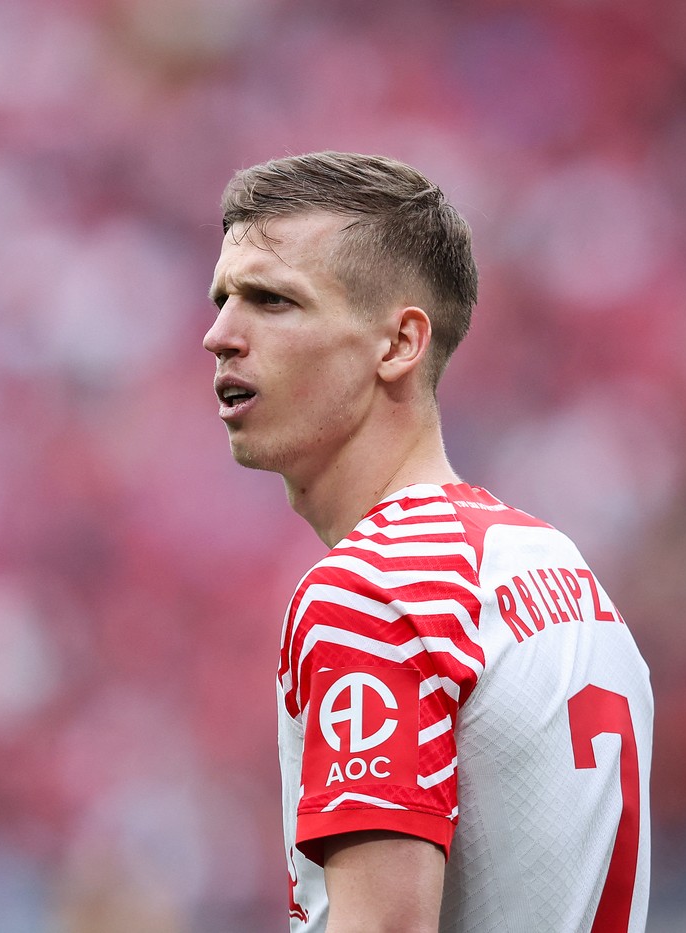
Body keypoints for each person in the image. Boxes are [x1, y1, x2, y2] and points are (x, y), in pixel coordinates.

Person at [203, 152, 652, 932]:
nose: (219, 335)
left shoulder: (376, 584)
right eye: (223, 298)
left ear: (399, 343)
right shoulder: (555, 564)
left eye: (272, 301)